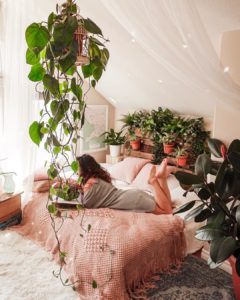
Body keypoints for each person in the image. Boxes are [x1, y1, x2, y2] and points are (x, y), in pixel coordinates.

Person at [77, 154, 176, 215]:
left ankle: (154, 181)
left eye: (77, 168)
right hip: (131, 195)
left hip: (132, 201)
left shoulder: (88, 185)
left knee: (167, 212)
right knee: (168, 205)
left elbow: (84, 204)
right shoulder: (97, 178)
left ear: (84, 169)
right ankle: (162, 179)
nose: (76, 171)